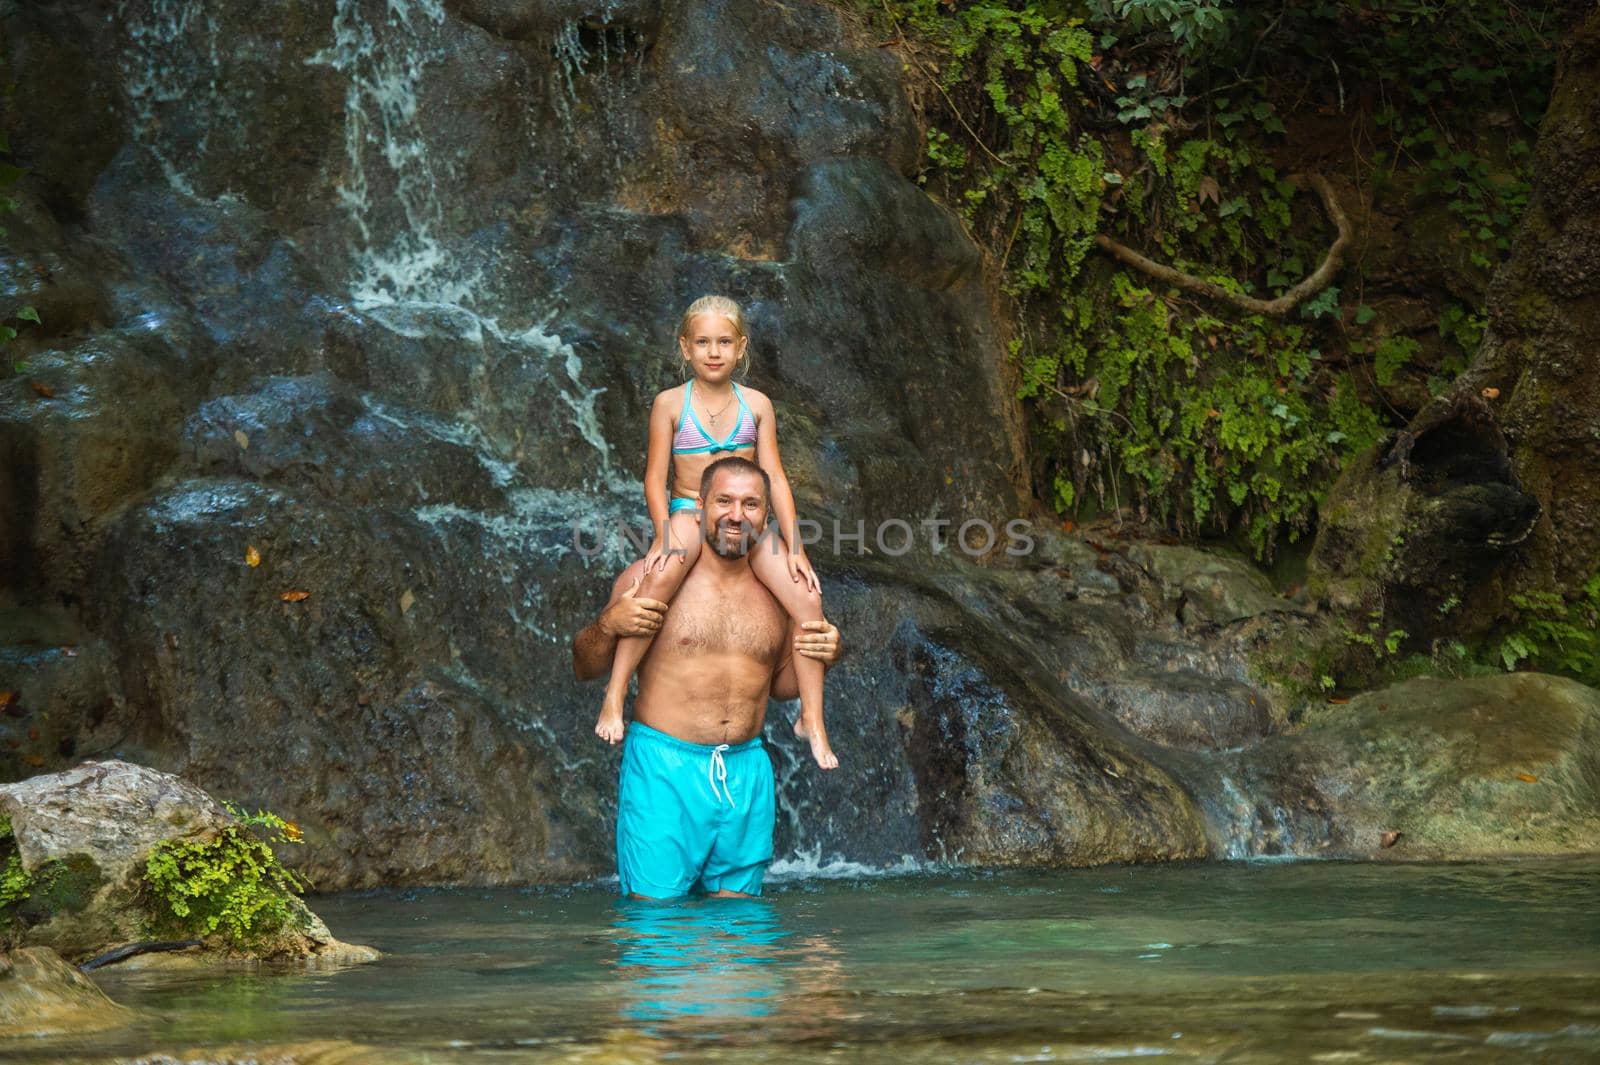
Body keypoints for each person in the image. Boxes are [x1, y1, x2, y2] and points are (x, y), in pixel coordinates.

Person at [571, 457, 842, 899]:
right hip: (665, 769)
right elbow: (584, 667)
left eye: (751, 504)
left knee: (739, 936)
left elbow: (783, 686)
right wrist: (608, 625)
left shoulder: (781, 592)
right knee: (654, 927)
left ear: (767, 516)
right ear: (699, 506)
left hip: (746, 772)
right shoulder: (651, 575)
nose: (737, 515)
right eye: (724, 501)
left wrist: (828, 652)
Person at [594, 295, 837, 770]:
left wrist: (796, 548)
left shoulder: (757, 405)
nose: (713, 351)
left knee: (807, 597)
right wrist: (664, 534)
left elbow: (776, 477)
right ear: (685, 348)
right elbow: (654, 477)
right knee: (655, 584)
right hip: (690, 511)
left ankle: (812, 717)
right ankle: (615, 692)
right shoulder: (669, 404)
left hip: (746, 520)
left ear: (741, 347)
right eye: (703, 342)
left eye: (724, 342)